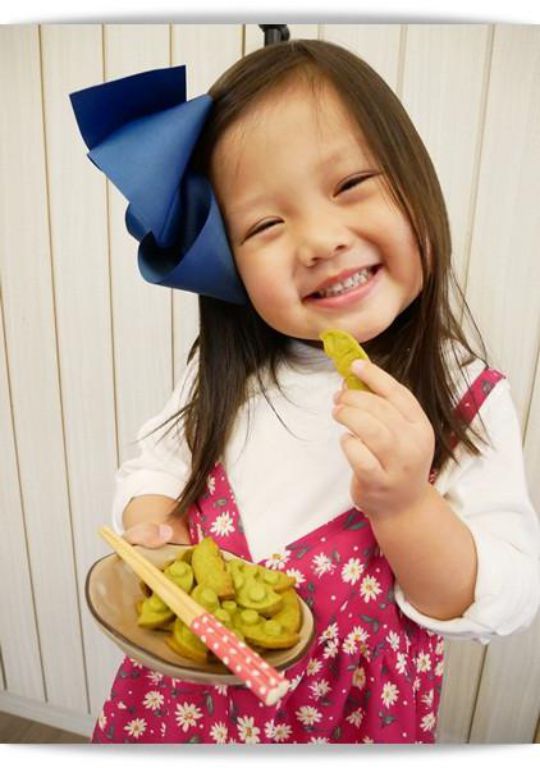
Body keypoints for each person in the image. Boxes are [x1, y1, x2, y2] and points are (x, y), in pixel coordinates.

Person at [71, 39, 540, 744]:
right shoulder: (223, 374)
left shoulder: (467, 397)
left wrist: (409, 504)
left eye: (350, 185)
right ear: (228, 263)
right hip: (181, 715)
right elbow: (156, 465)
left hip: (346, 726)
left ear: (416, 181)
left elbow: (501, 595)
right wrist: (159, 524)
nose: (319, 240)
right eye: (265, 224)